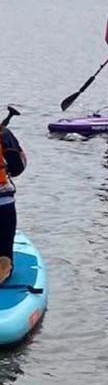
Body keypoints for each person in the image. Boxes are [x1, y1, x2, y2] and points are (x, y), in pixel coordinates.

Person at [0, 115, 27, 283]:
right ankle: (4, 266)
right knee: (3, 258)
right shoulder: (4, 134)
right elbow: (19, 166)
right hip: (3, 203)